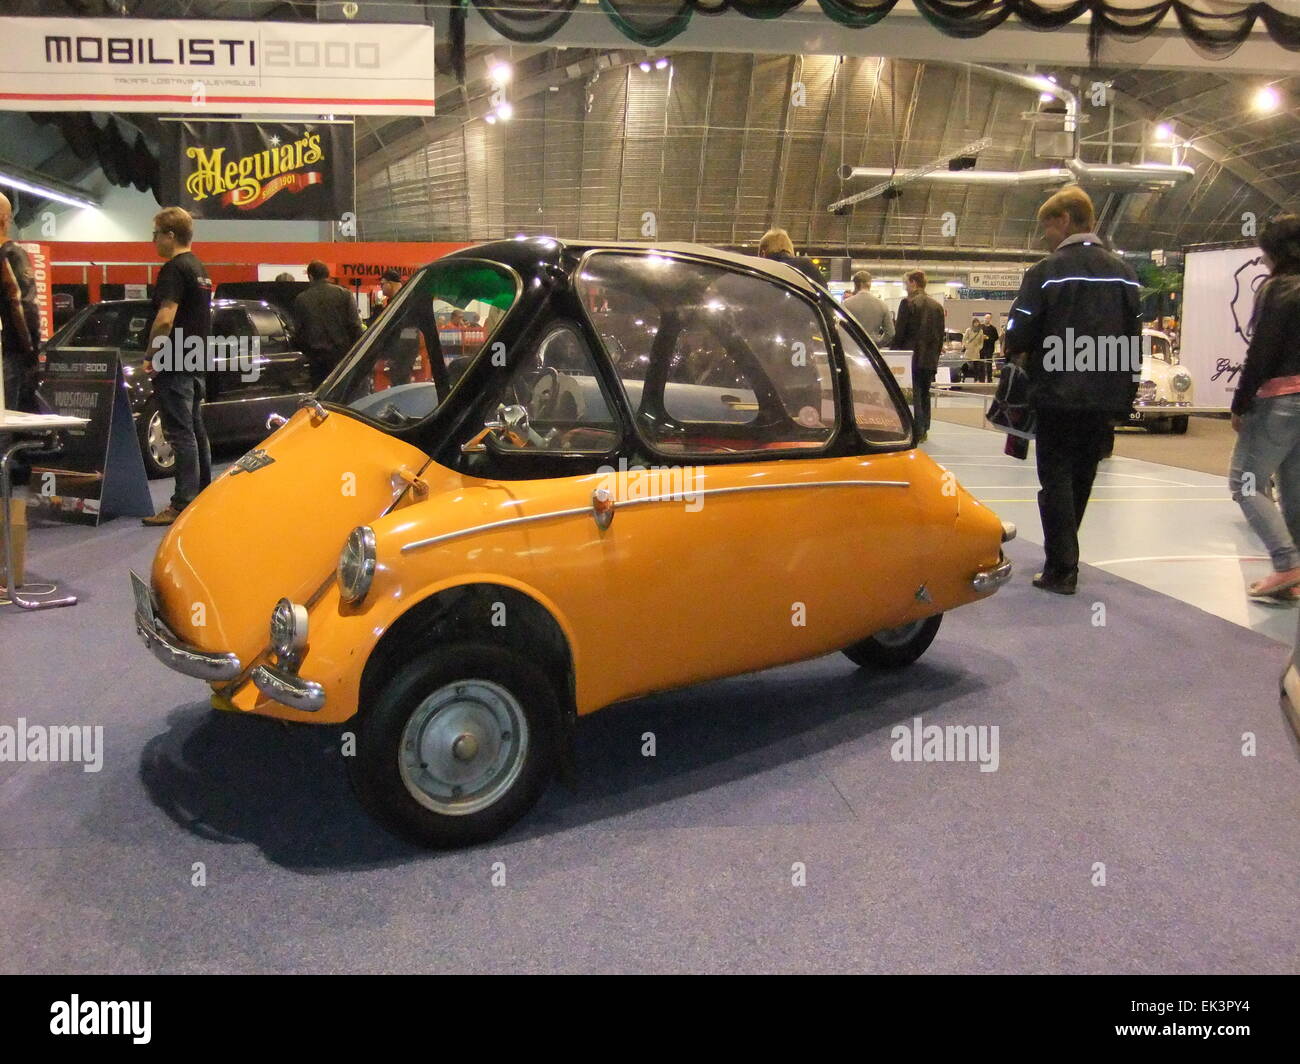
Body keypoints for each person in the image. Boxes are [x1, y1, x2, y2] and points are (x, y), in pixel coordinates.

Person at [1005, 185, 1140, 595]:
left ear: (1063, 220)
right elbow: (1133, 337)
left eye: (1047, 227)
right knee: (1084, 474)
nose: (1047, 237)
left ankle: (1062, 568)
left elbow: (1018, 330)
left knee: (1056, 477)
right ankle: (1067, 554)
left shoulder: (1045, 272)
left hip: (1058, 390)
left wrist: (1017, 351)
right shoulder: (1125, 274)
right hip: (1105, 392)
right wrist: (1127, 392)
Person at [1227, 214, 1300, 600]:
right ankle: (1296, 572)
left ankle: (1287, 564)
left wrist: (1240, 404)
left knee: (1245, 483)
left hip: (1279, 399)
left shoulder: (1277, 290)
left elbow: (1261, 354)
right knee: (1294, 489)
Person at [142, 207, 214, 527]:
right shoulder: (200, 268)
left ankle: (182, 503)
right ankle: (204, 495)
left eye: (156, 234)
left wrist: (153, 354)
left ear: (170, 235)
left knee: (180, 433)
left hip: (174, 361)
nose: (153, 240)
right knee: (196, 431)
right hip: (196, 358)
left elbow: (166, 317)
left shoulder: (173, 269)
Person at [890, 270, 944, 441]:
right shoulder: (937, 307)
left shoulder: (907, 304)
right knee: (925, 392)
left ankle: (917, 429)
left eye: (906, 283)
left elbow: (900, 333)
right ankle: (925, 429)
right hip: (929, 358)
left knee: (913, 394)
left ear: (913, 283)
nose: (905, 287)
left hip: (910, 357)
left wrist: (893, 354)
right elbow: (939, 336)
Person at [0, 193, 41, 414]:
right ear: (5, 219)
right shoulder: (11, 254)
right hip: (11, 351)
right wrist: (31, 348)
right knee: (8, 418)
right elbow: (21, 303)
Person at [292, 260, 362, 387]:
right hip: (341, 356)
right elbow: (355, 326)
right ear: (327, 275)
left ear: (310, 277)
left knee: (321, 395)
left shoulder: (301, 299)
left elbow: (299, 331)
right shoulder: (344, 294)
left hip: (316, 360)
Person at [756, 228, 826, 286]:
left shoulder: (759, 271)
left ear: (763, 253)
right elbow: (824, 296)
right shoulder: (806, 266)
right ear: (789, 247)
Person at [842, 270, 893, 344]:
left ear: (855, 285)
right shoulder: (882, 304)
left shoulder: (846, 304)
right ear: (870, 284)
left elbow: (841, 329)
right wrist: (878, 344)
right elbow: (891, 333)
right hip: (872, 348)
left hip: (852, 346)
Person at [978, 314, 999, 383]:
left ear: (990, 319)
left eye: (988, 318)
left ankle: (989, 379)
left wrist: (988, 338)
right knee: (981, 364)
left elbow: (996, 337)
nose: (987, 319)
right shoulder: (980, 327)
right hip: (981, 348)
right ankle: (981, 379)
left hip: (989, 348)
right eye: (986, 318)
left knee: (989, 364)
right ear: (984, 318)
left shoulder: (993, 328)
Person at [961, 316, 984, 382]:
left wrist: (979, 348)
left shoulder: (980, 331)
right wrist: (966, 346)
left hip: (976, 350)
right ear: (973, 323)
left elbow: (981, 341)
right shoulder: (968, 330)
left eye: (977, 322)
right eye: (975, 322)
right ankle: (964, 378)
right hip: (969, 350)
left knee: (976, 366)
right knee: (966, 365)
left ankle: (975, 379)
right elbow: (964, 339)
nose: (976, 324)